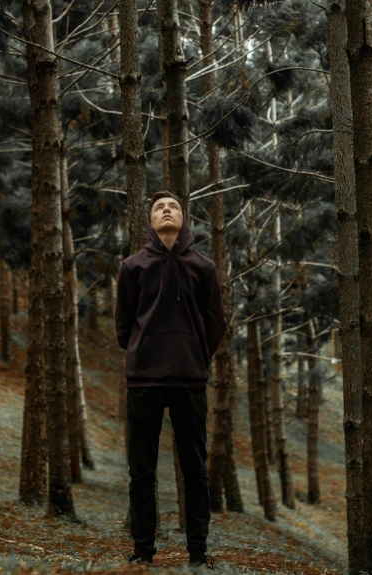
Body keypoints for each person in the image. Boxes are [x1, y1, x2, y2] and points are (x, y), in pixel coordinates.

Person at [115, 191, 227, 569]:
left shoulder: (203, 267)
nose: (166, 210)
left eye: (174, 206)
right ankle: (143, 551)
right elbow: (123, 325)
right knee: (141, 471)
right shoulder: (132, 267)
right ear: (150, 220)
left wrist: (194, 354)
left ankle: (198, 553)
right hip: (144, 380)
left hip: (189, 380)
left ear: (183, 218)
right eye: (159, 207)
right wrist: (139, 350)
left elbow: (216, 324)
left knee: (195, 469)